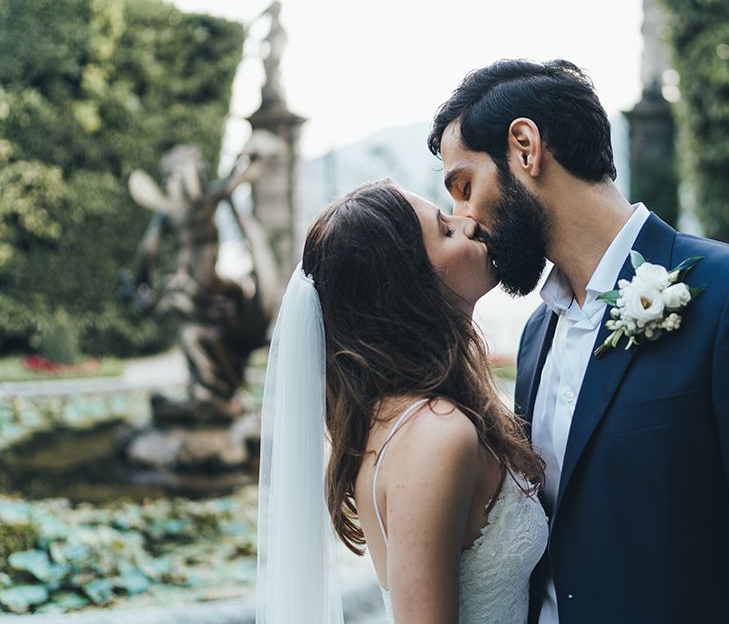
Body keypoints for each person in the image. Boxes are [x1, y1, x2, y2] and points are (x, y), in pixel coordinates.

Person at [427, 58, 729, 624]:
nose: (463, 219)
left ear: (524, 147)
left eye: (464, 186)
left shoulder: (722, 294)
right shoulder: (537, 336)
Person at [256, 179, 548, 623]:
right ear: (407, 287)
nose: (467, 223)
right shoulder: (434, 432)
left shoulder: (404, 415)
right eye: (445, 231)